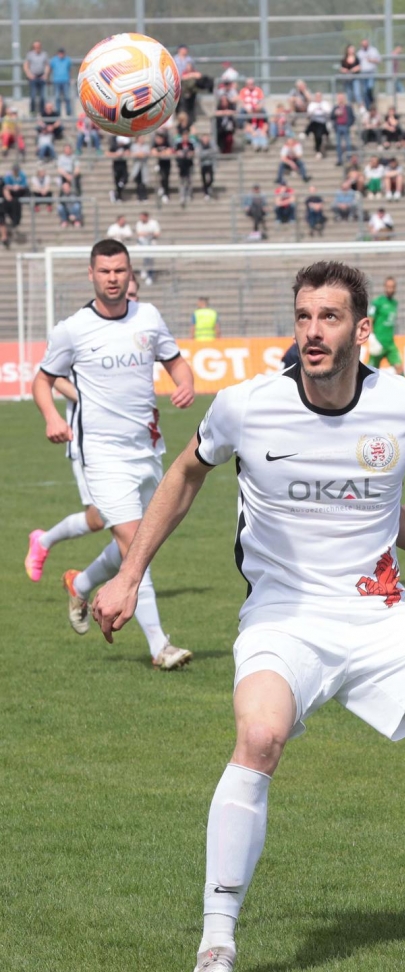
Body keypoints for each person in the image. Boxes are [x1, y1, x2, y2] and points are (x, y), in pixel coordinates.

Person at [91, 258, 405, 972]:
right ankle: (215, 946)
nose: (313, 332)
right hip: (283, 622)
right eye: (303, 317)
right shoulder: (246, 406)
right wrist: (128, 574)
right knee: (259, 737)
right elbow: (185, 475)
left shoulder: (404, 405)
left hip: (380, 619)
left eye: (329, 317)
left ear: (360, 327)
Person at [30, 239, 195, 669]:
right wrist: (51, 417)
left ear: (130, 273)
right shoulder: (73, 329)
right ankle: (160, 646)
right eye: (104, 271)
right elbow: (42, 381)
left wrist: (186, 382)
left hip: (148, 449)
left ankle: (80, 584)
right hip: (101, 455)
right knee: (135, 543)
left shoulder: (149, 317)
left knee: (139, 544)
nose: (112, 278)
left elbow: (176, 362)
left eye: (119, 270)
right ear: (91, 274)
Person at [23, 274, 143, 585]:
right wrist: (86, 397)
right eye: (128, 293)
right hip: (88, 440)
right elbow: (52, 378)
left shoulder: (137, 331)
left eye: (134, 295)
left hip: (130, 444)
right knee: (115, 523)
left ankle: (79, 582)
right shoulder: (82, 331)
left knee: (127, 527)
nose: (129, 298)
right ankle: (50, 548)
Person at [367, 277, 403, 374]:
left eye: (392, 287)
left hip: (390, 344)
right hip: (378, 342)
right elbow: (370, 319)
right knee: (369, 372)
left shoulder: (394, 303)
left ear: (395, 288)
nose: (390, 289)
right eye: (388, 287)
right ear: (384, 287)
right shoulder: (377, 302)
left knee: (400, 369)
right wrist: (372, 336)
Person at [24, 41, 49, 116]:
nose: (37, 48)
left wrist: (45, 75)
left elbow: (47, 65)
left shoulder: (44, 54)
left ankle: (42, 112)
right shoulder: (30, 55)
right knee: (33, 96)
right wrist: (29, 75)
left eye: (38, 46)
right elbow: (26, 65)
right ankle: (32, 112)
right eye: (35, 47)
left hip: (41, 77)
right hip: (33, 77)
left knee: (42, 96)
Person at [136, 210, 160, 285]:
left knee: (150, 259)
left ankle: (149, 274)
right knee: (146, 257)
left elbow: (157, 234)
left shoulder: (154, 223)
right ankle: (145, 270)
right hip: (142, 243)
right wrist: (149, 234)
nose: (141, 219)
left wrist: (148, 234)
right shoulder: (139, 223)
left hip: (152, 243)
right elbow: (139, 234)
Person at [331, 93, 355, 167]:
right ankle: (339, 160)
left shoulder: (348, 107)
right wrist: (335, 113)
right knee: (338, 144)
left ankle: (348, 159)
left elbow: (352, 117)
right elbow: (331, 116)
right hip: (338, 126)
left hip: (345, 126)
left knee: (348, 144)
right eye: (339, 98)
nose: (340, 99)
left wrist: (348, 124)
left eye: (341, 98)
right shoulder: (335, 107)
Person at [357, 39, 381, 109]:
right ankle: (368, 105)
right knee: (364, 90)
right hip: (363, 72)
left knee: (370, 87)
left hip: (371, 72)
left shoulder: (373, 50)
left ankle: (371, 101)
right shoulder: (359, 53)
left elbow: (379, 60)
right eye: (363, 44)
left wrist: (371, 60)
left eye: (365, 44)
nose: (364, 46)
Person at [49, 47, 73, 117]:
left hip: (65, 80)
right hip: (56, 81)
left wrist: (70, 78)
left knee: (67, 97)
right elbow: (50, 69)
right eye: (60, 53)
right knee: (57, 97)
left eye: (62, 53)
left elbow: (69, 70)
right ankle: (58, 112)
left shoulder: (67, 60)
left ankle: (68, 112)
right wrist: (48, 78)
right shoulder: (54, 60)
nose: (61, 54)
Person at [305, 92, 330, 157]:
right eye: (317, 96)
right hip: (314, 122)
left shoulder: (325, 103)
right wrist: (316, 110)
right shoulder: (312, 104)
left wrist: (320, 110)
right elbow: (309, 113)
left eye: (319, 96)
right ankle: (306, 133)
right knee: (314, 127)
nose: (318, 98)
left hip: (322, 122)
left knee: (318, 135)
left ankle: (306, 133)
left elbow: (328, 112)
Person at [108, 135, 130, 203]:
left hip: (123, 165)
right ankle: (118, 196)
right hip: (116, 166)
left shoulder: (125, 146)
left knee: (124, 179)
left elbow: (129, 152)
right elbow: (108, 153)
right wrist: (116, 154)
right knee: (117, 181)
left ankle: (117, 193)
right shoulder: (114, 146)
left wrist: (125, 153)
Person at [198, 134, 216, 200]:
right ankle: (206, 193)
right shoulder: (200, 146)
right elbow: (200, 155)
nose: (205, 140)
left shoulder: (211, 144)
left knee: (211, 178)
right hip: (203, 165)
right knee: (204, 179)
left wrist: (205, 153)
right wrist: (208, 153)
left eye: (206, 138)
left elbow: (215, 151)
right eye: (204, 138)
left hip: (210, 164)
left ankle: (208, 187)